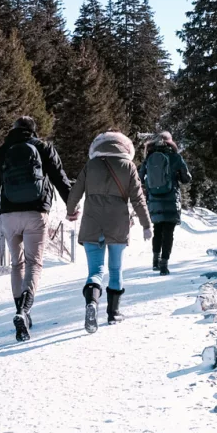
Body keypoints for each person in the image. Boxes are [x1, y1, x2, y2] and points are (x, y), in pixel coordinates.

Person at [0, 116, 72, 343]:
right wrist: (71, 206)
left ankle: (21, 312)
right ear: (33, 131)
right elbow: (59, 177)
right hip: (35, 213)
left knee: (17, 263)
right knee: (34, 263)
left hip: (8, 215)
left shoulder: (1, 153)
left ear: (13, 130)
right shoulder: (43, 148)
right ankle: (24, 310)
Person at [66, 130, 152, 333]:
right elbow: (138, 199)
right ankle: (113, 314)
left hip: (91, 221)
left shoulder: (91, 165)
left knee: (95, 271)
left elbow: (75, 191)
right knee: (115, 269)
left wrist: (71, 211)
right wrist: (146, 224)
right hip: (117, 223)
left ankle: (92, 303)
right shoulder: (128, 166)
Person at [139, 131, 191, 275]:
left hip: (154, 199)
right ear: (170, 142)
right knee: (169, 232)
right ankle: (164, 264)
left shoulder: (149, 157)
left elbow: (139, 177)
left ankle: (155, 260)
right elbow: (186, 178)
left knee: (158, 230)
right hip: (171, 199)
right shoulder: (175, 157)